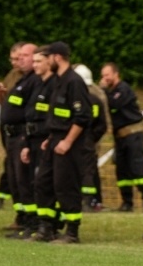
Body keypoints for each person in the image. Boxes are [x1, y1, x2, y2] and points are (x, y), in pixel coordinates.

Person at [29, 42, 92, 244]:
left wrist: (67, 141)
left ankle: (72, 232)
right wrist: (50, 139)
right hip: (55, 139)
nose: (45, 62)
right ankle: (46, 228)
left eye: (47, 58)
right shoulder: (58, 80)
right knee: (43, 183)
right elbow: (57, 114)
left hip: (70, 142)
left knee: (66, 185)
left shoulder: (74, 81)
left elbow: (82, 117)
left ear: (56, 57)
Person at [11, 45, 56, 239]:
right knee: (27, 182)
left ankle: (47, 226)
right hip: (30, 139)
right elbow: (31, 114)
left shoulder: (52, 84)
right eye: (34, 61)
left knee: (42, 183)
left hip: (44, 140)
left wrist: (48, 138)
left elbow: (51, 117)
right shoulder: (37, 83)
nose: (35, 64)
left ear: (49, 61)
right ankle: (32, 224)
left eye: (38, 61)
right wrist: (27, 143)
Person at [99, 62, 143, 212]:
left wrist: (102, 91)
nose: (104, 78)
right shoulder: (111, 92)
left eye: (107, 75)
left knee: (137, 168)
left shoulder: (123, 89)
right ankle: (127, 202)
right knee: (121, 170)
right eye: (103, 76)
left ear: (116, 74)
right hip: (119, 137)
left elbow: (115, 103)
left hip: (132, 135)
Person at [0, 42, 38, 233]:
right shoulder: (20, 79)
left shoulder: (34, 81)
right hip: (11, 136)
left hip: (23, 135)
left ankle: (31, 222)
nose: (20, 59)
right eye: (17, 56)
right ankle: (22, 218)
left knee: (24, 180)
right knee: (14, 180)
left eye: (24, 56)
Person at [0, 43, 25, 210]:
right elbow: (5, 104)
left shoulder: (30, 78)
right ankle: (19, 216)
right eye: (12, 59)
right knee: (12, 171)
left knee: (22, 174)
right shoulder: (12, 75)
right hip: (8, 129)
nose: (14, 62)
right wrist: (1, 95)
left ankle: (26, 218)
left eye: (18, 58)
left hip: (23, 132)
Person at [74, 64, 108, 212]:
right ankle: (92, 201)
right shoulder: (96, 99)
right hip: (90, 142)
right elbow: (102, 125)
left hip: (76, 141)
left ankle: (86, 201)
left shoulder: (76, 100)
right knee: (90, 172)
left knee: (82, 172)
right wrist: (92, 138)